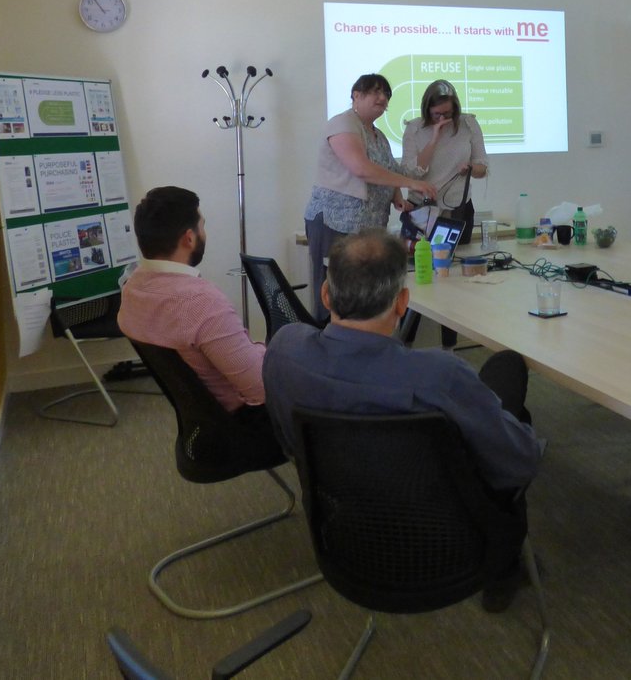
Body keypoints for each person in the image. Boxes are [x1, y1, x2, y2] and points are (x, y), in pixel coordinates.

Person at [262, 229, 542, 611]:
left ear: (326, 296)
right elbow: (521, 463)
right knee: (506, 372)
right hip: (452, 543)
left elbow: (285, 440)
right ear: (402, 303)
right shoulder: (439, 376)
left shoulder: (284, 348)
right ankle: (507, 567)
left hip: (345, 535)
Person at [118, 186, 282, 467]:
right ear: (189, 238)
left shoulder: (132, 288)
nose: (205, 233)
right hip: (246, 426)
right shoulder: (200, 303)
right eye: (202, 226)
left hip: (205, 425)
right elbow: (260, 390)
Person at [304, 73, 437, 322]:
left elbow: (387, 168)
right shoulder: (342, 124)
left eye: (386, 93)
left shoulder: (378, 134)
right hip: (336, 224)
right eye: (375, 91)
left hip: (368, 227)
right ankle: (328, 345)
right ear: (356, 96)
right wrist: (411, 183)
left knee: (363, 293)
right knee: (334, 290)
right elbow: (362, 169)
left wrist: (397, 195)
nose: (382, 97)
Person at [400, 79, 488, 246]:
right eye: (436, 114)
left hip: (458, 209)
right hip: (421, 210)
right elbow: (408, 174)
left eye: (447, 114)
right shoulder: (414, 128)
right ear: (427, 110)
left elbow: (482, 168)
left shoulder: (468, 124)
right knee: (420, 258)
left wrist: (470, 168)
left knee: (459, 260)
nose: (442, 119)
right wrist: (434, 139)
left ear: (455, 108)